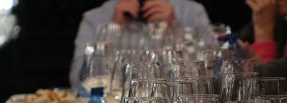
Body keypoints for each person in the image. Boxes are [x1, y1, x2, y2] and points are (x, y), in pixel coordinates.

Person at [69, 0, 211, 89]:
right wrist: (113, 30)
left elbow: (208, 80)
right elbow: (77, 83)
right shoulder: (96, 17)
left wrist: (173, 31)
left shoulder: (192, 13)